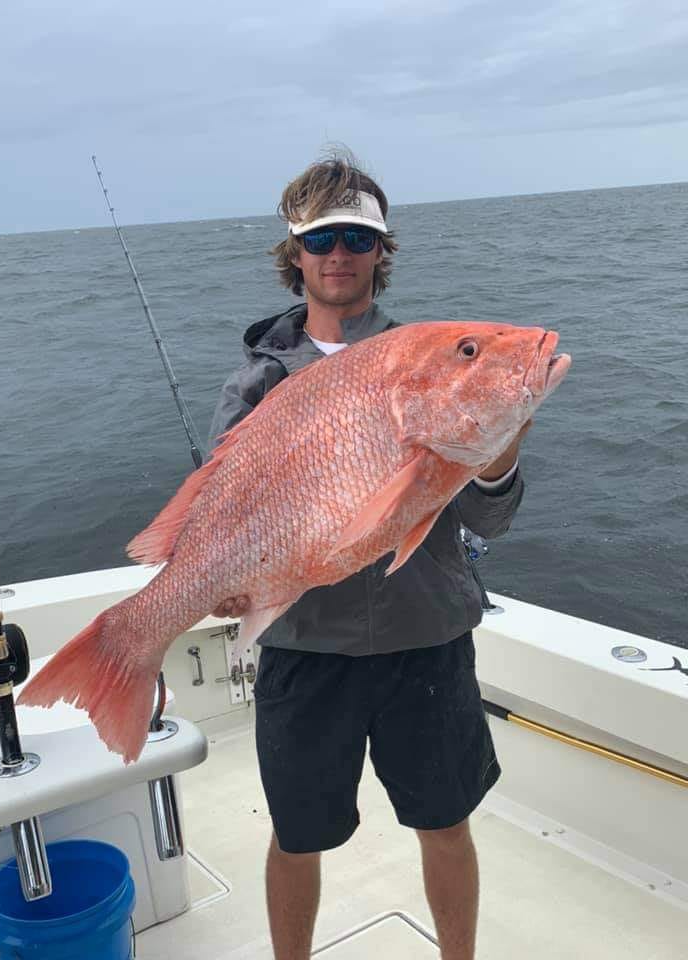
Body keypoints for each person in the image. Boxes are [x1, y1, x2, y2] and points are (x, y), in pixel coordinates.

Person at [207, 152, 529, 960]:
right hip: (305, 647)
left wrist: (495, 461)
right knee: (296, 835)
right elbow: (222, 505)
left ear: (382, 250)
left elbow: (488, 517)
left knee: (446, 823)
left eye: (358, 237)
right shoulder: (257, 380)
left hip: (427, 637)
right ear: (295, 252)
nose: (339, 254)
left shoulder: (436, 357)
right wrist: (225, 579)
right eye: (322, 239)